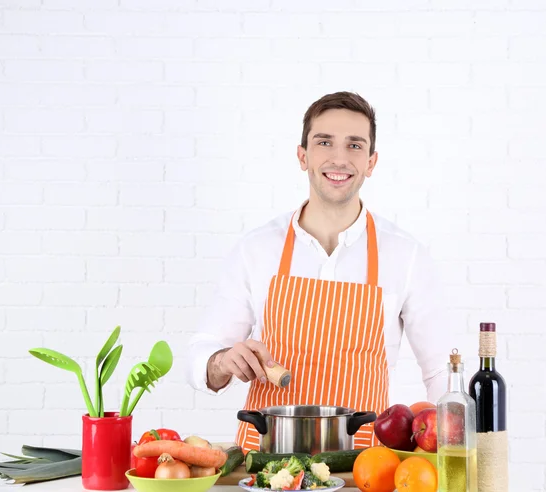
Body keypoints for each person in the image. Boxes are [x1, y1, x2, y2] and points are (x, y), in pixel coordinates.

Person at [186, 91, 452, 452]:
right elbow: (202, 353)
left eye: (355, 145)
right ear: (302, 156)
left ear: (371, 162)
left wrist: (458, 447)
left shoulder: (406, 256)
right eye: (324, 142)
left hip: (360, 465)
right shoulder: (257, 248)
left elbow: (440, 373)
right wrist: (221, 362)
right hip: (266, 461)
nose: (339, 158)